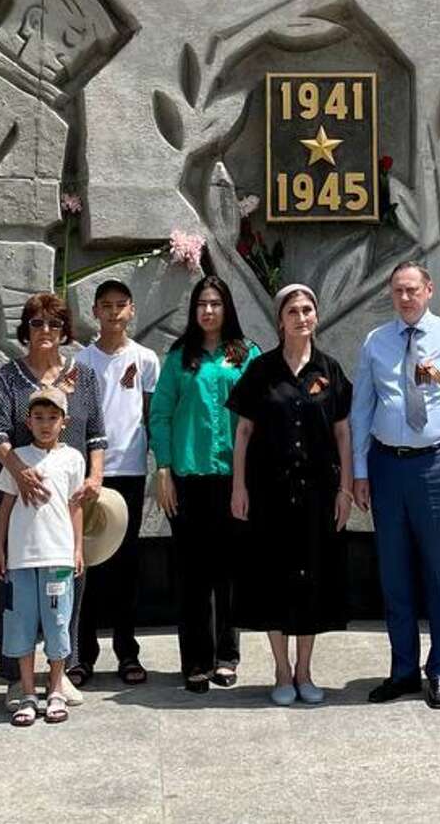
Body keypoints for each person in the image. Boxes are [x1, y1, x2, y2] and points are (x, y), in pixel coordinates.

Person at [349, 260, 440, 710]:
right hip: (387, 466)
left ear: (429, 289)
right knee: (394, 573)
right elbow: (362, 411)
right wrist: (360, 472)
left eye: (412, 290)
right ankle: (403, 669)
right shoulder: (376, 341)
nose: (405, 298)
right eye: (398, 291)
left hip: (434, 466)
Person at [228, 284, 355, 706]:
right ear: (280, 321)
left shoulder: (330, 370)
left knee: (312, 580)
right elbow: (243, 433)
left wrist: (345, 488)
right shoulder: (261, 370)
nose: (302, 317)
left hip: (318, 493)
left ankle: (305, 670)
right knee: (273, 580)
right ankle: (281, 670)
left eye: (308, 310)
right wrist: (239, 486)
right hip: (269, 493)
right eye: (293, 311)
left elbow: (342, 432)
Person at [0, 292, 107, 700]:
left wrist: (96, 477)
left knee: (69, 581)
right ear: (26, 329)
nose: (46, 332)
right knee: (17, 595)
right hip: (21, 503)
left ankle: (62, 671)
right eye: (37, 324)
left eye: (54, 324)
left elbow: (97, 434)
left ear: (65, 330)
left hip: (67, 497)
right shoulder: (8, 376)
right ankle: (18, 678)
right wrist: (18, 472)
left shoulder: (84, 376)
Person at [149, 275, 258, 693]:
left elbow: (257, 414)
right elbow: (159, 415)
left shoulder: (245, 355)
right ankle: (195, 660)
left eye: (215, 303)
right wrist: (164, 469)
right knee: (192, 574)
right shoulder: (180, 358)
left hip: (235, 479)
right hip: (189, 479)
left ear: (227, 307)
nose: (208, 310)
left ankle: (227, 657)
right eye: (201, 304)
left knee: (229, 573)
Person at [73, 279, 160, 686]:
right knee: (87, 564)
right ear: (94, 311)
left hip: (129, 470)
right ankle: (83, 653)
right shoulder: (82, 362)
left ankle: (128, 652)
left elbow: (149, 415)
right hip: (91, 475)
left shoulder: (145, 359)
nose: (113, 312)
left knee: (126, 565)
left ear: (131, 310)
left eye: (120, 305)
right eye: (105, 305)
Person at [0, 388, 90, 726]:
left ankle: (54, 689)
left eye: (53, 418)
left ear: (64, 422)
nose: (45, 424)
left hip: (58, 556)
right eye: (39, 417)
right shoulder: (17, 458)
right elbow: (6, 504)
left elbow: (75, 506)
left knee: (57, 622)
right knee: (21, 623)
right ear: (28, 421)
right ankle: (27, 691)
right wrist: (0, 549)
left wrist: (77, 548)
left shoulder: (73, 459)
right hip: (21, 558)